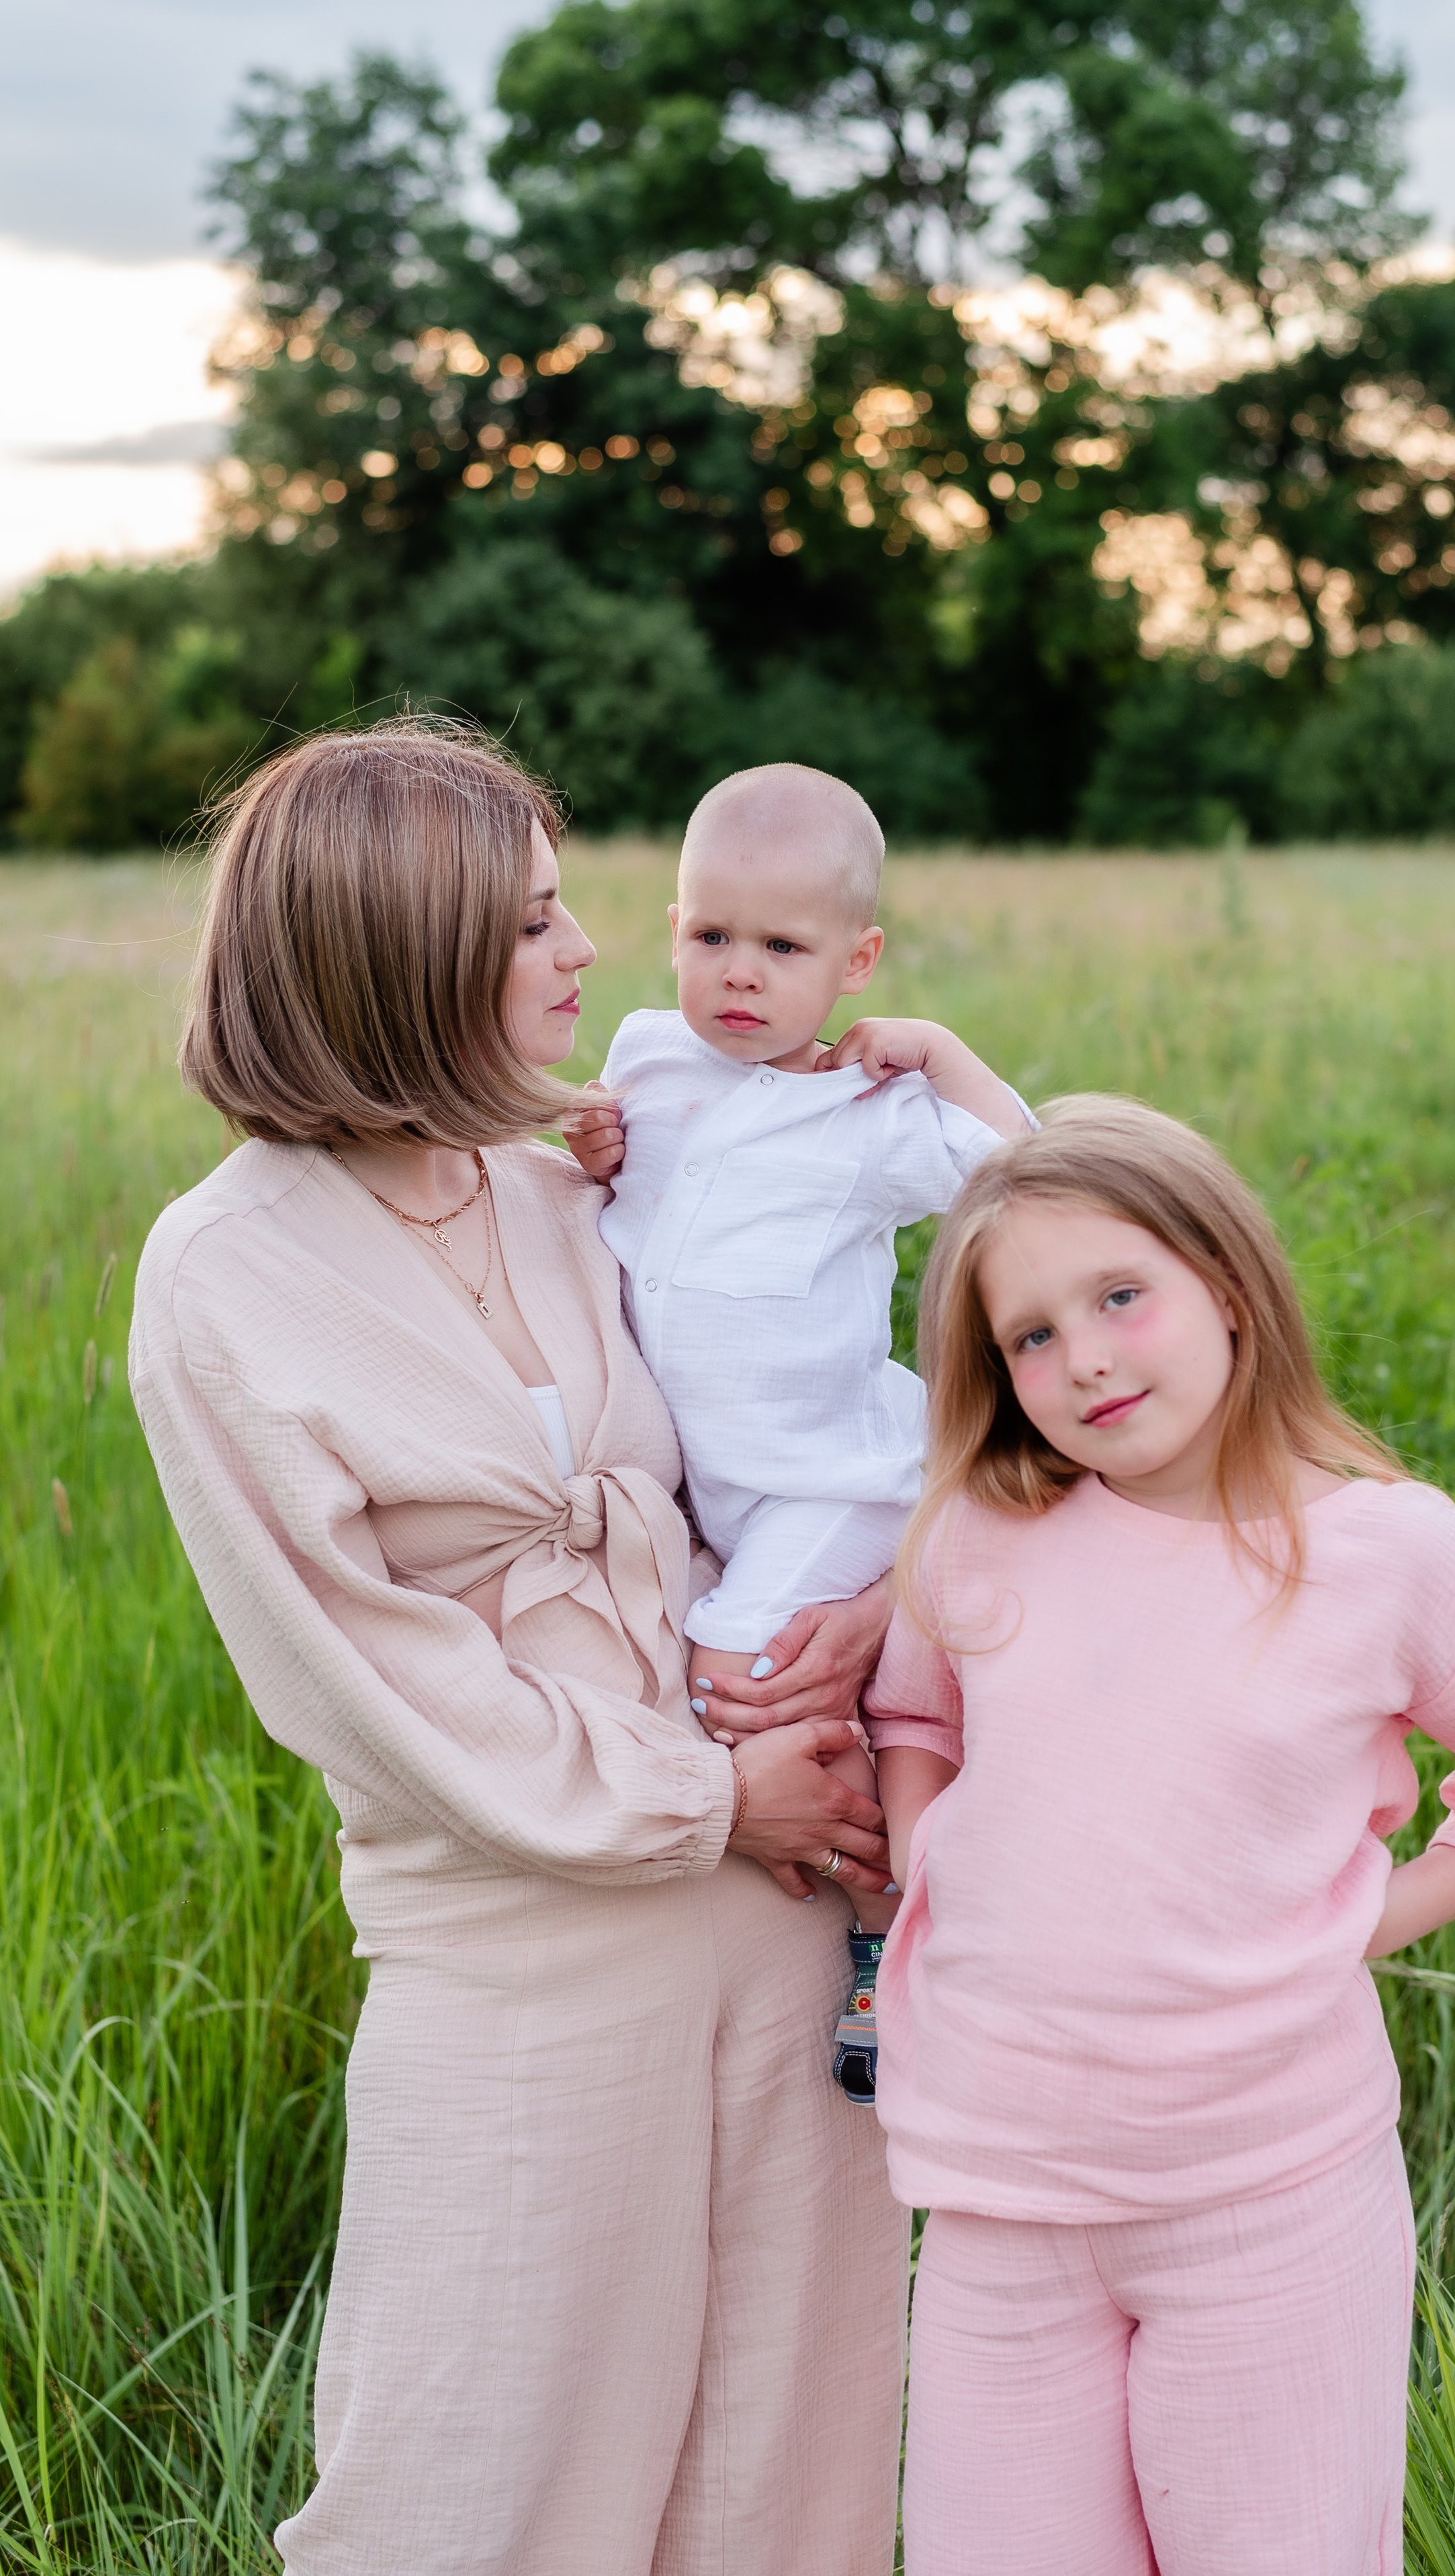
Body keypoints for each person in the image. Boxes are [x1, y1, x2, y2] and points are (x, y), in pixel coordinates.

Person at [128, 720, 910, 2576]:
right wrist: (713, 1793)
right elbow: (367, 1681)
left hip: (793, 1912)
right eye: (538, 920)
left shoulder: (580, 1181)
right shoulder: (224, 1274)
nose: (589, 957)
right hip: (529, 1949)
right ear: (401, 961)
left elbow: (807, 1430)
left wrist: (878, 1597)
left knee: (781, 2478)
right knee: (468, 2489)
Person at [865, 1095, 1455, 2576]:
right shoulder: (977, 1532)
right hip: (998, 2197)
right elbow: (915, 1717)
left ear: (1222, 1282)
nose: (1080, 1357)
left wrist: (1356, 1924)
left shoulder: (1384, 1551)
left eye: (1119, 1297)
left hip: (1262, 2198)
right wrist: (923, 1865)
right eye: (1027, 1336)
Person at [562, 762, 1030, 2097]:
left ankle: (880, 1942)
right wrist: (598, 1148)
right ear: (671, 931)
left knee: (737, 1672)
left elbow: (1031, 1173)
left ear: (854, 961)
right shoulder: (649, 1052)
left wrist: (939, 1055)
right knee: (813, 1689)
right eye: (711, 936)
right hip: (710, 1477)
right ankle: (861, 1884)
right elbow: (631, 1181)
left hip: (828, 1476)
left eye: (781, 947)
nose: (739, 975)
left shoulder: (870, 1116)